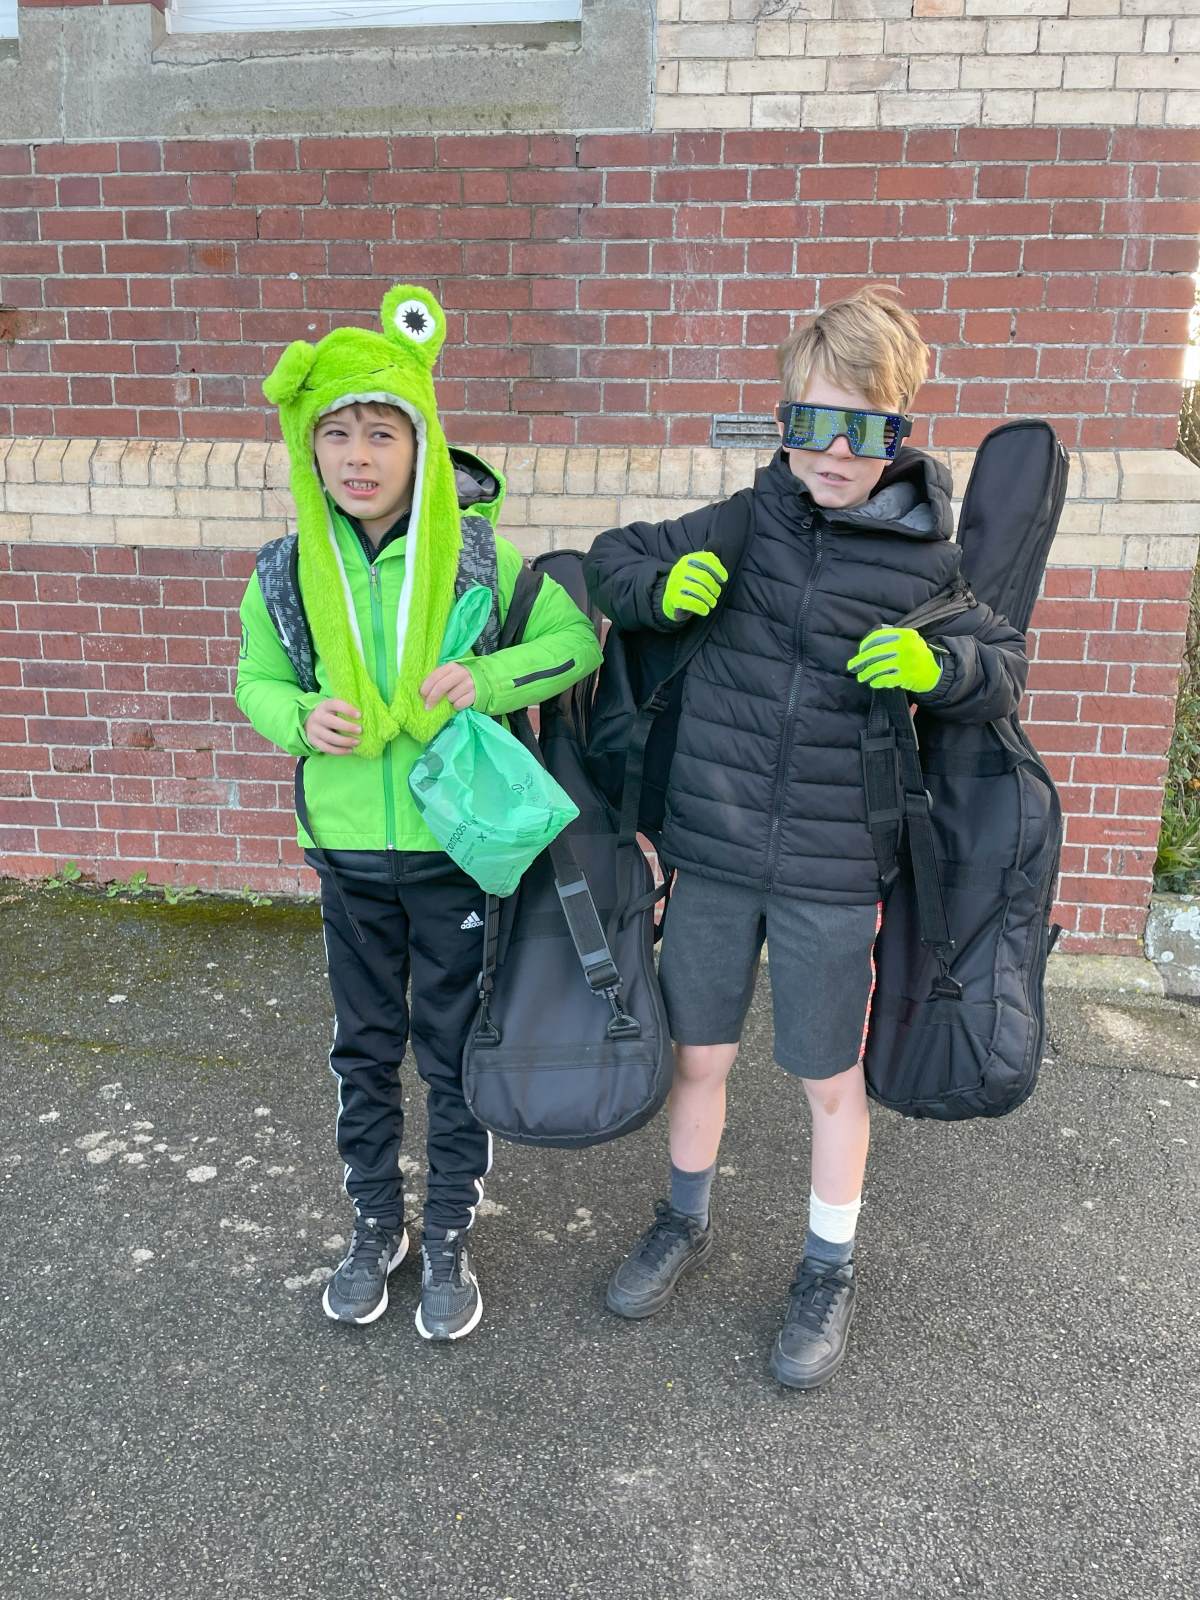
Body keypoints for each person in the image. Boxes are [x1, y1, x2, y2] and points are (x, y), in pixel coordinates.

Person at [583, 285, 1027, 1390]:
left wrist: (940, 667)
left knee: (830, 1078)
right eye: (813, 422)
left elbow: (1003, 666)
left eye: (863, 429)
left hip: (834, 866)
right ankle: (682, 1219)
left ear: (899, 432)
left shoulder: (926, 561)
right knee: (699, 1056)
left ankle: (828, 1268)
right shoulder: (745, 523)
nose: (834, 451)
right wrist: (659, 591)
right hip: (715, 849)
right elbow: (609, 560)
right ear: (783, 423)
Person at [235, 284, 601, 1340]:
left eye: (381, 432)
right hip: (348, 855)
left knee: (451, 1049)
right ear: (309, 449)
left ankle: (446, 1232)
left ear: (421, 442)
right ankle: (375, 1225)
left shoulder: (477, 556)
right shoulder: (285, 573)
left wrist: (485, 681)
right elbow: (254, 681)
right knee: (363, 1049)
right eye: (335, 433)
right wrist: (299, 717)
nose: (357, 455)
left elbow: (574, 642)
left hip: (457, 853)